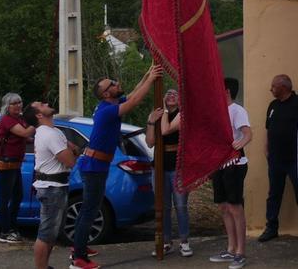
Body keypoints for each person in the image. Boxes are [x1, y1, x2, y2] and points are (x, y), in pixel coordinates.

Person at [72, 63, 162, 269]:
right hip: (93, 166)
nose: (116, 83)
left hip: (96, 165)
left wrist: (147, 74)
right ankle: (79, 258)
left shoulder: (111, 104)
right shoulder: (107, 111)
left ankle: (79, 245)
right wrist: (150, 80)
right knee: (89, 210)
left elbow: (131, 95)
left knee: (89, 208)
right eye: (111, 84)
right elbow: (135, 101)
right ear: (106, 94)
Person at [259, 74, 298, 243]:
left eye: (273, 86)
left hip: (296, 160)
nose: (271, 89)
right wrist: (266, 149)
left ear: (284, 87)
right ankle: (271, 227)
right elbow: (268, 128)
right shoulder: (272, 105)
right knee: (274, 194)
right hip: (275, 159)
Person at [209, 77, 253, 269]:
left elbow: (248, 133)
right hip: (219, 164)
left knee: (235, 207)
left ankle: (240, 252)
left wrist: (239, 145)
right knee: (224, 207)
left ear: (226, 91)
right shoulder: (218, 111)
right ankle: (230, 247)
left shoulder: (237, 110)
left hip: (235, 163)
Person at [145, 89, 192, 257]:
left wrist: (164, 111)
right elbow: (150, 142)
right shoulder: (156, 115)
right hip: (159, 166)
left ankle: (184, 241)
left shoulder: (183, 114)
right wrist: (151, 122)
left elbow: (166, 130)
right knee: (162, 207)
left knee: (180, 206)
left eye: (175, 94)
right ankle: (166, 242)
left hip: (178, 167)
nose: (171, 96)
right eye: (168, 94)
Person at [31, 100, 76, 269]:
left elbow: (71, 152)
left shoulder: (54, 131)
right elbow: (71, 160)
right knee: (46, 234)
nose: (46, 103)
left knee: (51, 233)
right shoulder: (49, 134)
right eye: (42, 105)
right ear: (39, 115)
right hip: (51, 188)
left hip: (56, 186)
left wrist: (70, 148)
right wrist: (71, 149)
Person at [0, 92, 36, 243]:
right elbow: (24, 132)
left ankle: (12, 227)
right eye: (14, 103)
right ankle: (5, 232)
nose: (18, 105)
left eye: (19, 102)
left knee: (17, 196)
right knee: (5, 198)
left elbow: (26, 137)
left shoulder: (18, 119)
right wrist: (37, 123)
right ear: (7, 106)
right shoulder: (7, 120)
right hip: (6, 163)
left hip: (16, 163)